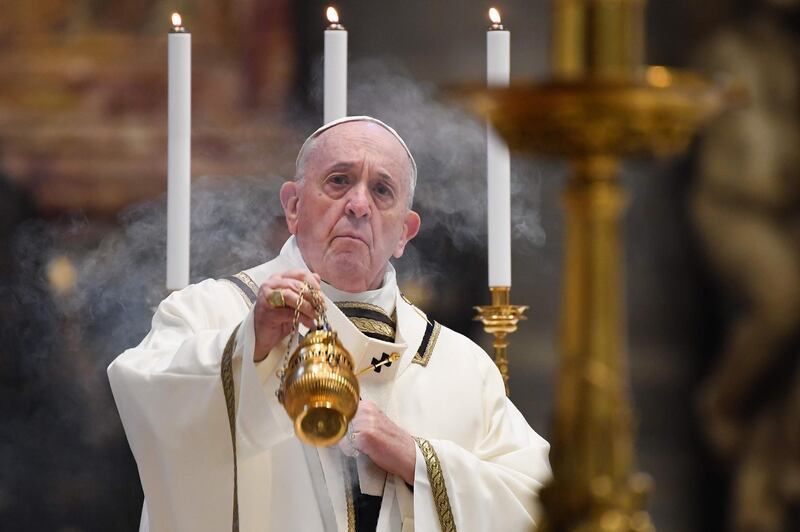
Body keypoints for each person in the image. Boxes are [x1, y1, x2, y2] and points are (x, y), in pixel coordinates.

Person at [108, 116, 551, 532]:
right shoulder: (211, 312)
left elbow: (539, 501)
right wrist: (252, 346)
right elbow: (145, 394)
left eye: (382, 191)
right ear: (294, 206)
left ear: (404, 234)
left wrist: (419, 459)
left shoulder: (459, 367)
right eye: (339, 181)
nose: (358, 205)